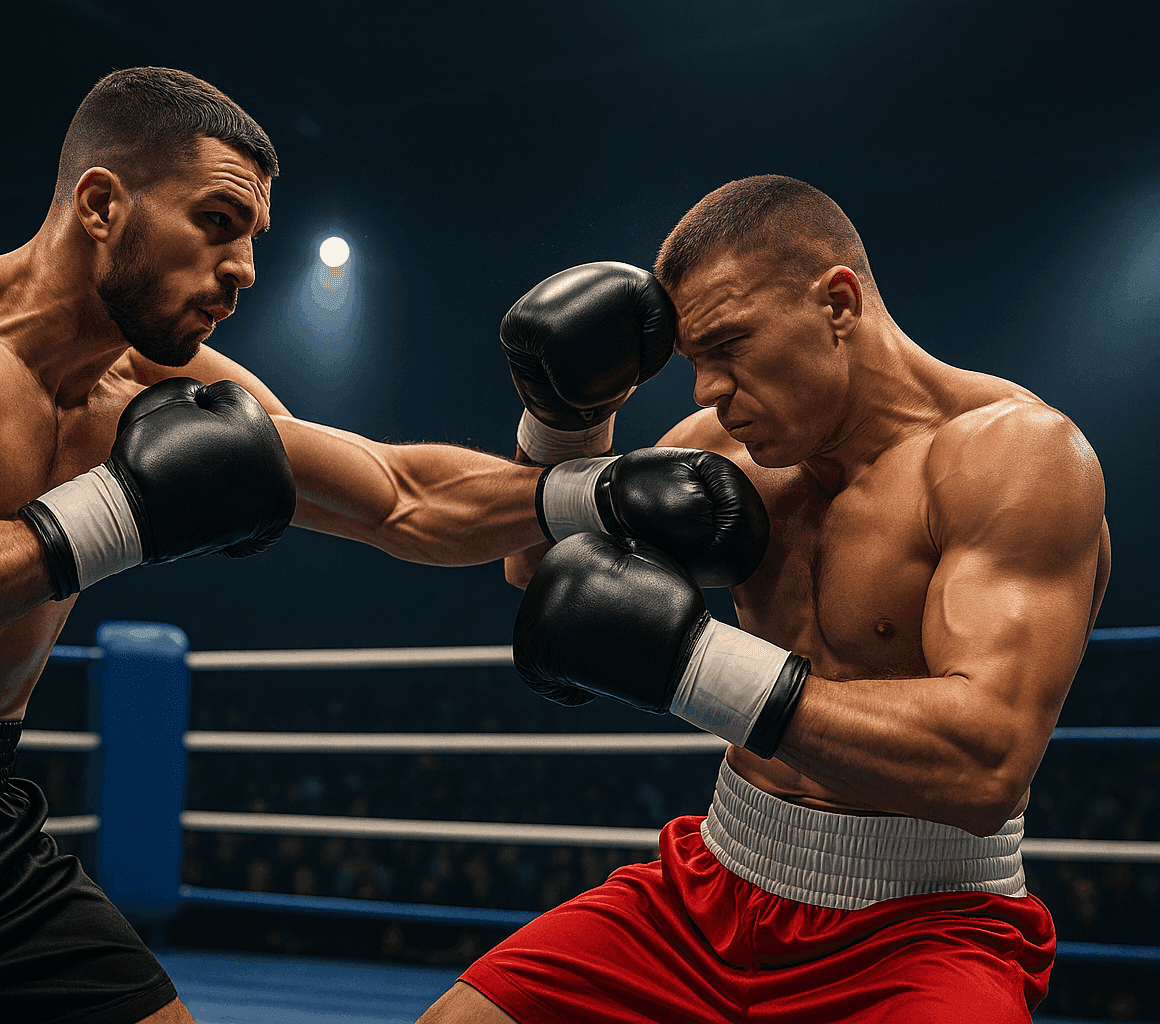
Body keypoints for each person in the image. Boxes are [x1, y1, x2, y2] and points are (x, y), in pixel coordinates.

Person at [0, 68, 765, 1024]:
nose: (247, 269)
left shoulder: (173, 390)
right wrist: (121, 512)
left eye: (256, 237)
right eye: (217, 223)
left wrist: (596, 483)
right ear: (103, 202)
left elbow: (405, 499)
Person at [419, 175, 1112, 1023]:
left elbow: (986, 768)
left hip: (925, 928)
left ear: (838, 302)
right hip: (713, 888)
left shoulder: (1013, 457)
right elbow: (536, 571)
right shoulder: (727, 448)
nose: (707, 391)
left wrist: (694, 663)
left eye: (730, 345)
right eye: (695, 363)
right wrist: (564, 419)